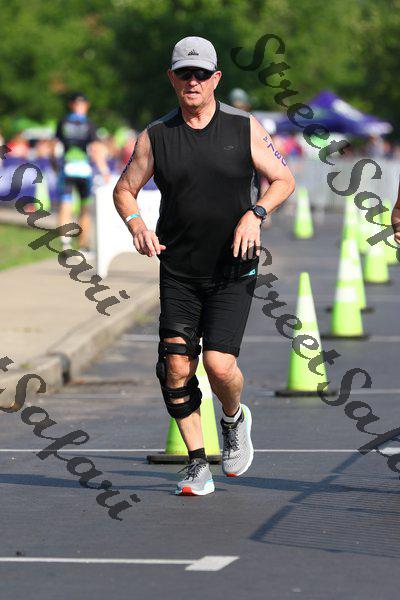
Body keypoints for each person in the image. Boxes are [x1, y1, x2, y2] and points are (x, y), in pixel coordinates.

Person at [113, 36, 295, 496]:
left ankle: (233, 418)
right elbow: (124, 190)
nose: (191, 82)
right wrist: (136, 224)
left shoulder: (243, 127)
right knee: (175, 367)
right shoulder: (155, 136)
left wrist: (256, 214)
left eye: (200, 74)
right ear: (171, 78)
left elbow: (283, 179)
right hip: (178, 269)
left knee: (218, 364)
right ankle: (197, 463)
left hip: (234, 266)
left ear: (216, 78)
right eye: (183, 74)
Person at [54, 92, 110, 254]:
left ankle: (65, 242)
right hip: (84, 171)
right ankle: (84, 245)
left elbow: (54, 146)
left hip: (67, 168)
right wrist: (104, 170)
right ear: (86, 106)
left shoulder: (63, 122)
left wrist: (55, 165)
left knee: (66, 203)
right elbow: (96, 149)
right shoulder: (89, 124)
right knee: (85, 208)